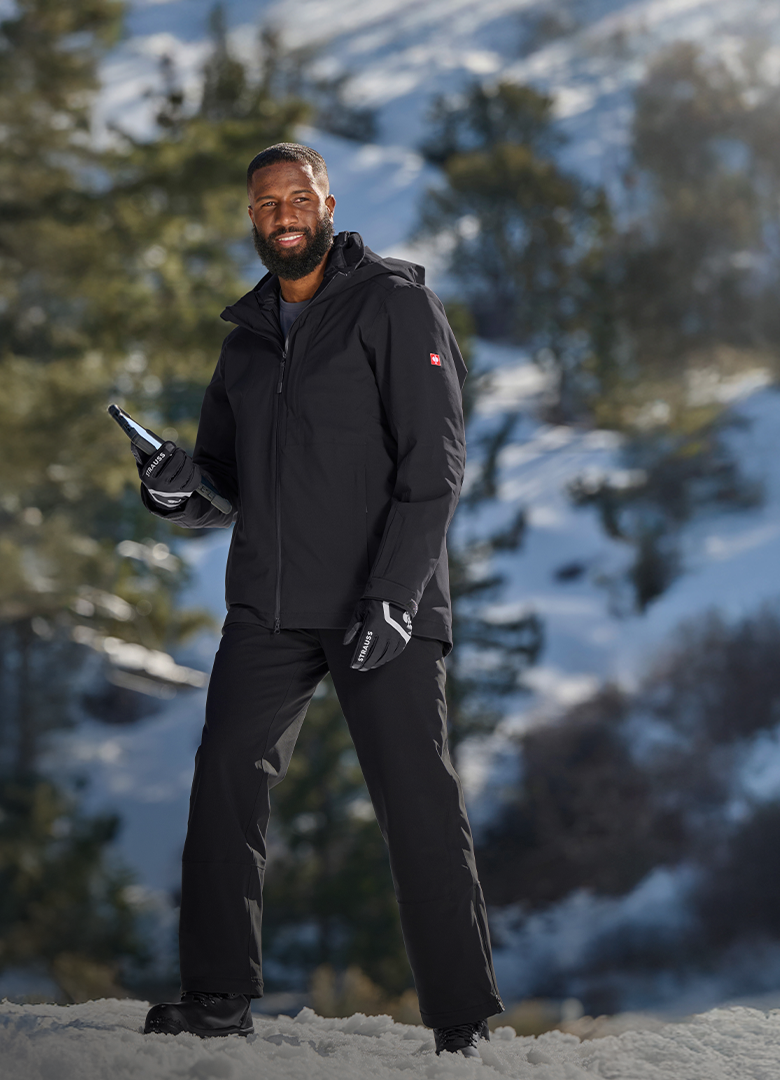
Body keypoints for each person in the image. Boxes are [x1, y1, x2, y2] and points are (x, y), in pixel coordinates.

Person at [133, 143, 502, 1057]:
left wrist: (393, 599)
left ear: (330, 202)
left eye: (299, 196)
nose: (284, 213)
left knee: (417, 799)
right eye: (266, 203)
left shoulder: (394, 304)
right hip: (270, 605)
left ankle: (464, 1019)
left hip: (384, 604)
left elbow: (436, 467)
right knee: (224, 783)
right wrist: (176, 490)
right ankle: (216, 995)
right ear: (251, 218)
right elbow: (222, 484)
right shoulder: (247, 339)